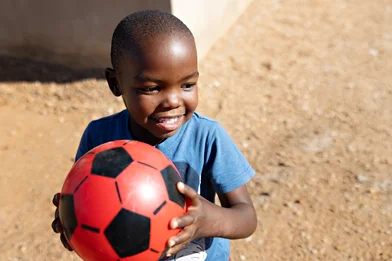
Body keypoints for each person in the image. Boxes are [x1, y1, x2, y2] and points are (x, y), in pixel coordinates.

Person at [51, 10, 257, 261]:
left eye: (187, 85)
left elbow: (247, 217)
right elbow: (85, 200)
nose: (172, 100)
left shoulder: (207, 137)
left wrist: (207, 220)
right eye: (152, 88)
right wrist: (71, 218)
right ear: (115, 83)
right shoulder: (100, 138)